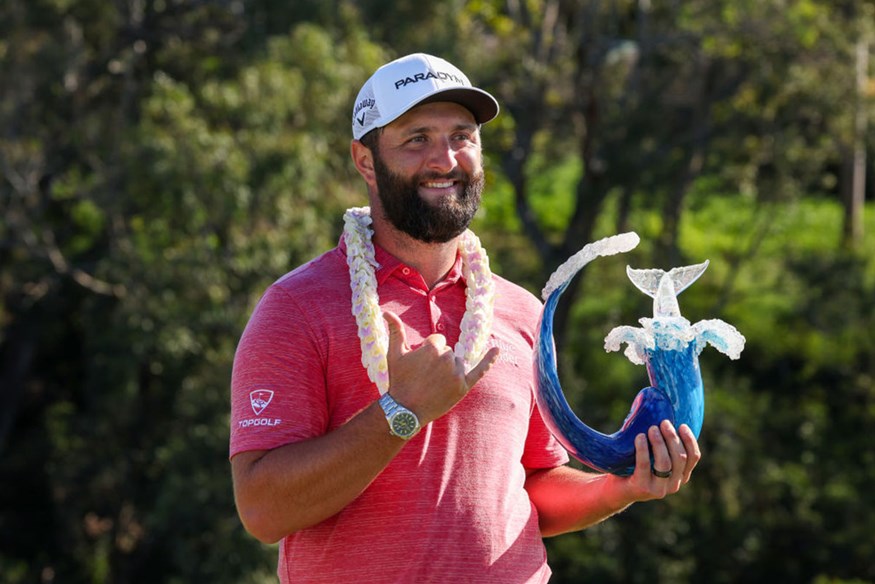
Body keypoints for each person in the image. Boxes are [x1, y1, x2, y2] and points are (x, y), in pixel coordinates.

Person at [229, 53, 701, 583]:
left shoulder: (522, 311)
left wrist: (623, 486)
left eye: (462, 136)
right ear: (365, 160)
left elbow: (533, 485)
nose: (445, 159)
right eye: (417, 139)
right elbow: (263, 510)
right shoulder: (296, 308)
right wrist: (400, 411)